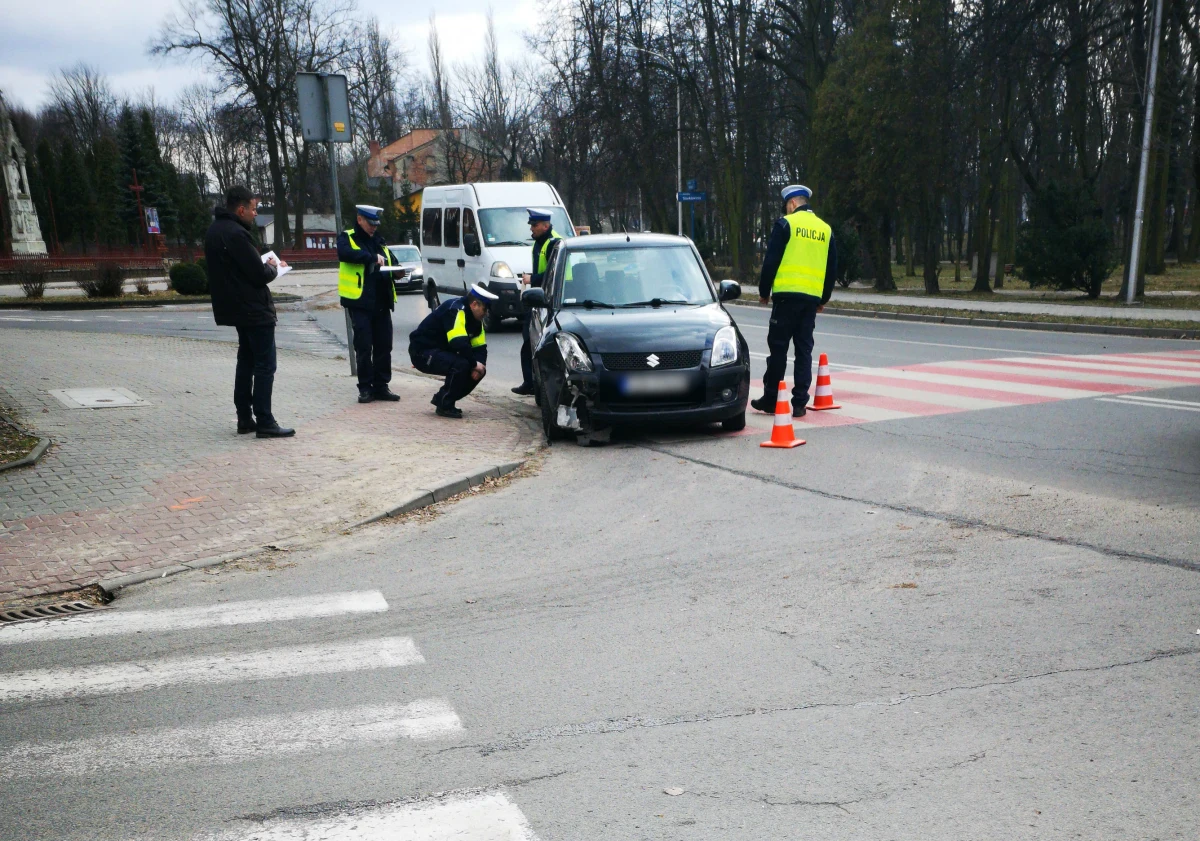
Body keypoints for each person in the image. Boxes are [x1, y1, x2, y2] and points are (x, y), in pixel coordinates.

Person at [206, 185, 294, 438]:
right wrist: (274, 268)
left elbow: (236, 270)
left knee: (245, 361)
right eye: (254, 209)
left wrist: (262, 265)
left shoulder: (214, 231)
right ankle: (265, 420)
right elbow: (256, 274)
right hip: (254, 309)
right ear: (241, 209)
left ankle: (245, 417)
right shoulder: (236, 234)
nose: (256, 214)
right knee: (265, 365)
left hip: (235, 309)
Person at [752, 184, 837, 418]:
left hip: (786, 299)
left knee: (778, 349)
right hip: (810, 301)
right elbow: (831, 269)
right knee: (804, 350)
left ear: (791, 204)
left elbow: (771, 261)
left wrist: (764, 291)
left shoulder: (786, 224)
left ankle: (771, 399)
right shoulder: (825, 229)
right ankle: (800, 403)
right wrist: (824, 298)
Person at [337, 204, 405, 403]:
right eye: (370, 223)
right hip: (360, 303)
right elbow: (345, 254)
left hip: (382, 303)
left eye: (376, 223)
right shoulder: (347, 237)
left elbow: (392, 262)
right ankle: (365, 388)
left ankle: (381, 386)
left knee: (384, 346)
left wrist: (399, 271)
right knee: (364, 347)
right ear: (359, 220)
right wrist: (371, 258)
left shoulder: (379, 241)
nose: (374, 227)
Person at [409, 284, 498, 418]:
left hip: (438, 351)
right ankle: (444, 404)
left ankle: (444, 399)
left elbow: (480, 347)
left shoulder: (476, 321)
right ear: (474, 305)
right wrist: (474, 364)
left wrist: (479, 365)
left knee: (479, 370)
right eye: (484, 309)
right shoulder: (456, 310)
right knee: (462, 365)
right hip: (422, 352)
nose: (485, 314)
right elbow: (458, 342)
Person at [512, 208, 563, 396]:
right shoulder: (541, 242)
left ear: (545, 225)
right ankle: (532, 382)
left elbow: (553, 275)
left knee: (532, 343)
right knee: (529, 342)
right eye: (531, 225)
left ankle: (532, 383)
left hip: (548, 301)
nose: (531, 229)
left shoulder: (553, 243)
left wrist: (531, 279)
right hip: (541, 300)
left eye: (534, 225)